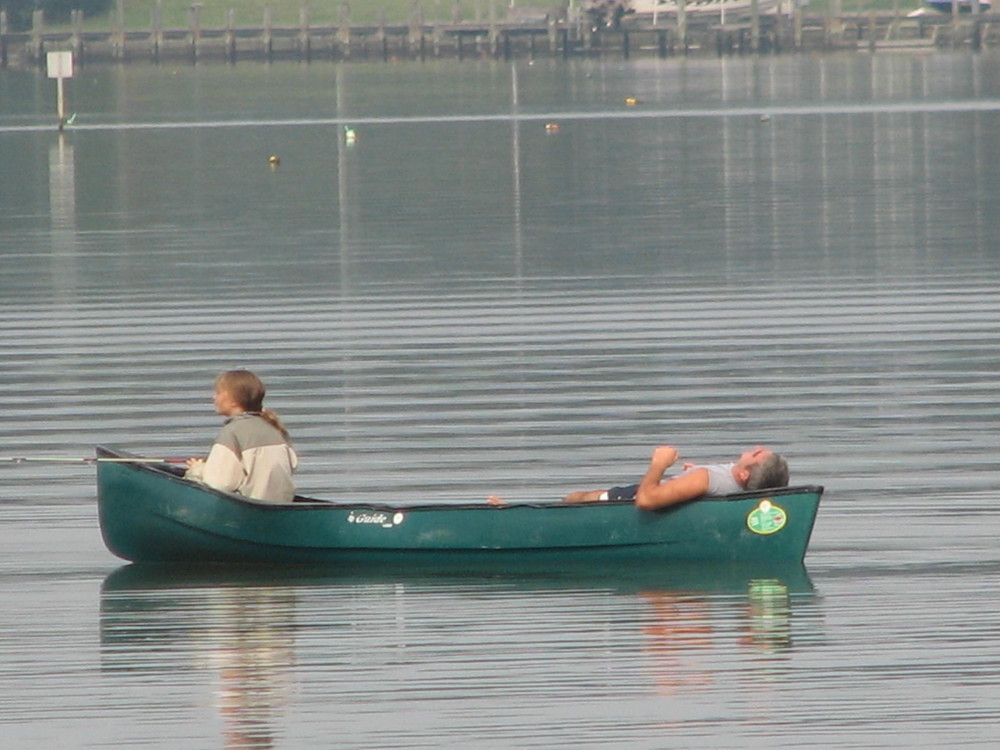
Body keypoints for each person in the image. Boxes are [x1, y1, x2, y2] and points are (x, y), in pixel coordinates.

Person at [488, 444, 788, 509]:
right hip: (682, 485)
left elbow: (645, 501)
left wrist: (659, 465)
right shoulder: (731, 478)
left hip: (630, 500)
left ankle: (512, 511)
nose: (758, 448)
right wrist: (694, 471)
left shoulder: (707, 481)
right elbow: (720, 478)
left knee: (577, 499)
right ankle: (516, 508)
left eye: (760, 454)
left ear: (746, 474)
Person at [185, 370, 298, 504]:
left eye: (218, 393)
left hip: (251, 508)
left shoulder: (232, 432)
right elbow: (292, 465)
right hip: (281, 505)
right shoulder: (275, 429)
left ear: (233, 400)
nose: (214, 398)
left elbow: (220, 484)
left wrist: (197, 470)